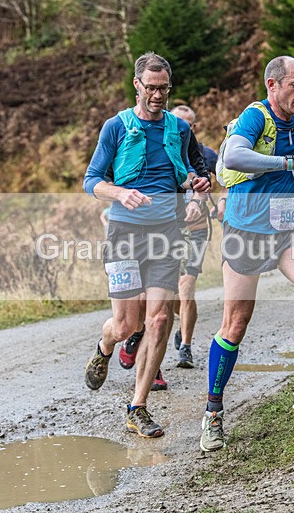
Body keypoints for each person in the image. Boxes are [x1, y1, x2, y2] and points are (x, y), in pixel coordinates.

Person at [198, 55, 294, 453]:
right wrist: (288, 160)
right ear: (272, 85)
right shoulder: (256, 116)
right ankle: (213, 411)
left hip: (286, 229)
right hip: (246, 230)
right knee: (235, 324)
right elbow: (231, 157)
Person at [82, 52, 210, 438]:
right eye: (151, 88)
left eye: (163, 88)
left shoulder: (179, 129)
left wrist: (196, 194)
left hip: (167, 234)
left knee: (158, 319)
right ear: (137, 85)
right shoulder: (116, 127)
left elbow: (197, 173)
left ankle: (137, 407)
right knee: (127, 325)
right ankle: (104, 348)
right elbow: (92, 181)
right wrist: (120, 194)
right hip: (124, 233)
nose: (157, 95)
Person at [165, 104, 222, 369]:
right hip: (167, 229)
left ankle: (185, 347)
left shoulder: (206, 155)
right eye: (176, 123)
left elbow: (224, 184)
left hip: (197, 230)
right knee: (171, 293)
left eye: (187, 125)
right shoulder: (163, 152)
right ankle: (181, 325)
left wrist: (217, 204)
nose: (181, 128)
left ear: (194, 127)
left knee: (186, 288)